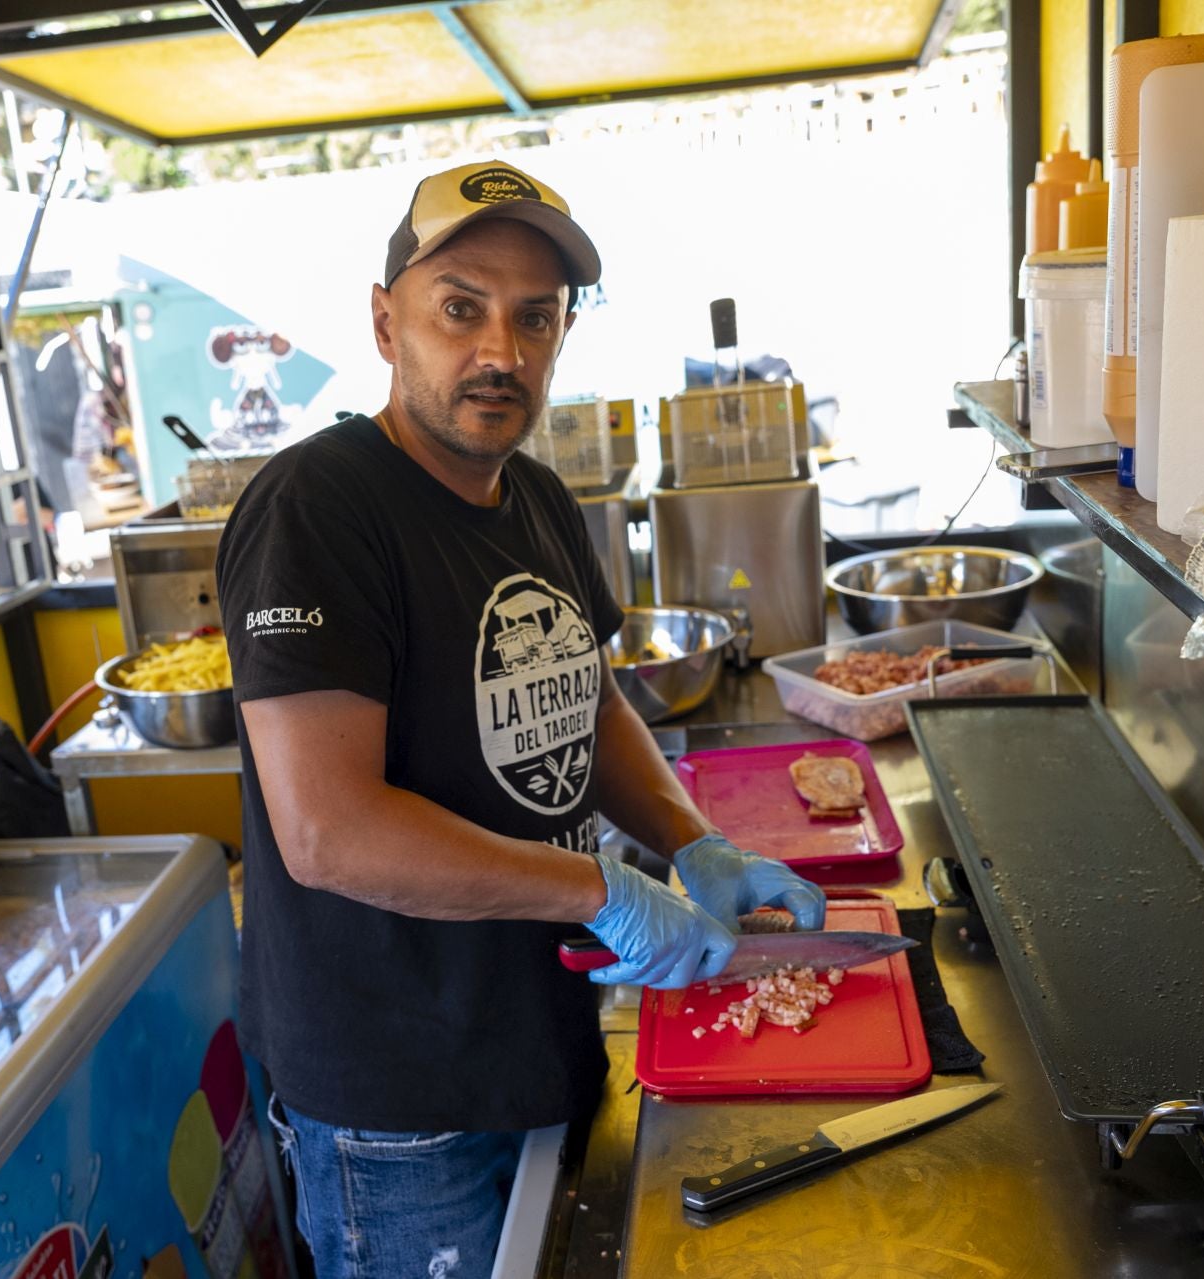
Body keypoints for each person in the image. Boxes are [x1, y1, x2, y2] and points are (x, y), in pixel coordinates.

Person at [216, 161, 825, 1279]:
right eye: (461, 307)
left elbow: (584, 698)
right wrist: (602, 889)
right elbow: (329, 831)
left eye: (535, 317)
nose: (501, 350)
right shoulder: (319, 507)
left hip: (541, 1028)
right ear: (384, 319)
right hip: (400, 1099)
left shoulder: (537, 497)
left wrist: (693, 841)